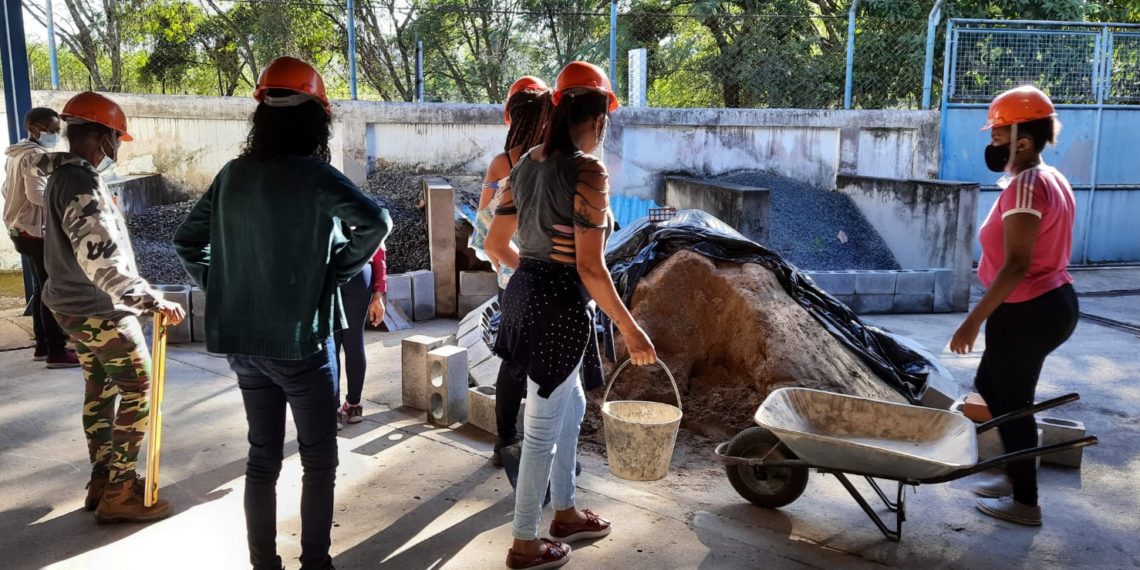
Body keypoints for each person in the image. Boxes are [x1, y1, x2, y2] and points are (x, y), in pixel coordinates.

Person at [174, 56, 391, 570]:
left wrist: (227, 285)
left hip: (244, 348)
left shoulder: (232, 176)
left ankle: (262, 564)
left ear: (262, 117)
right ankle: (315, 563)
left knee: (261, 459)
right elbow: (375, 222)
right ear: (317, 119)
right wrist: (332, 273)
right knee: (319, 461)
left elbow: (187, 243)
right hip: (301, 346)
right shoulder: (316, 176)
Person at [486, 61, 658, 570]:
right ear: (601, 117)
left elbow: (496, 244)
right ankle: (524, 542)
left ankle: (564, 512)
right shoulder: (588, 169)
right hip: (558, 309)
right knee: (541, 431)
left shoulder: (522, 166)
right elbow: (590, 266)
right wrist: (632, 329)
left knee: (575, 403)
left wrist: (537, 268)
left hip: (523, 296)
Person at [37, 92, 186, 523]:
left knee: (99, 389)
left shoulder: (65, 177)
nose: (115, 147)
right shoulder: (81, 183)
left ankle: (101, 480)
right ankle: (120, 490)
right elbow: (100, 258)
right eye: (115, 138)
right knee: (139, 387)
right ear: (103, 137)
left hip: (70, 306)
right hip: (99, 310)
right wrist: (148, 299)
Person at [950, 85, 1078, 527]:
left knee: (1008, 397)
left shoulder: (1026, 188)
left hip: (1028, 307)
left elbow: (1017, 264)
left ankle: (1025, 502)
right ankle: (1015, 470)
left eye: (999, 135)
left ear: (1023, 141)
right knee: (1001, 388)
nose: (993, 143)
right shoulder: (1050, 178)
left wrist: (973, 320)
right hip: (1048, 304)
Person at [469, 75, 554, 465]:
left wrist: (510, 270)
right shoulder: (549, 161)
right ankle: (537, 443)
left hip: (513, 279)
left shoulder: (502, 163)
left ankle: (507, 441)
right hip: (545, 279)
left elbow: (483, 231)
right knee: (543, 365)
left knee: (515, 361)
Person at [2, 106, 79, 368]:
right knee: (51, 288)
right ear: (33, 128)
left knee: (40, 287)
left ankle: (43, 345)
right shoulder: (34, 156)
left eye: (58, 130)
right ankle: (57, 351)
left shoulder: (15, 154)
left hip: (20, 229)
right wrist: (66, 202)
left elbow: (5, 190)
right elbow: (37, 195)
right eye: (51, 130)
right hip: (35, 232)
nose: (55, 135)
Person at [334, 245, 387, 429]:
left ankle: (332, 413)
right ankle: (354, 407)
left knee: (330, 346)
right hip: (360, 272)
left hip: (330, 270)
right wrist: (378, 294)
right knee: (354, 341)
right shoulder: (366, 214)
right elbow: (379, 249)